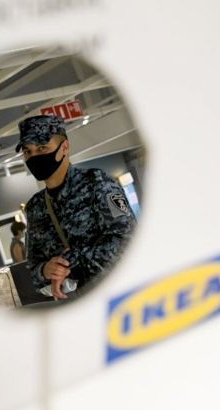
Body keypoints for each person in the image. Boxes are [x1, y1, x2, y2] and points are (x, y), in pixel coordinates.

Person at [16, 114, 136, 301]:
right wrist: (46, 271)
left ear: (64, 147)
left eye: (42, 148)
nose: (34, 157)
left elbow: (127, 239)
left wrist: (69, 263)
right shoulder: (35, 207)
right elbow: (33, 269)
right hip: (75, 302)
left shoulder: (97, 183)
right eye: (27, 152)